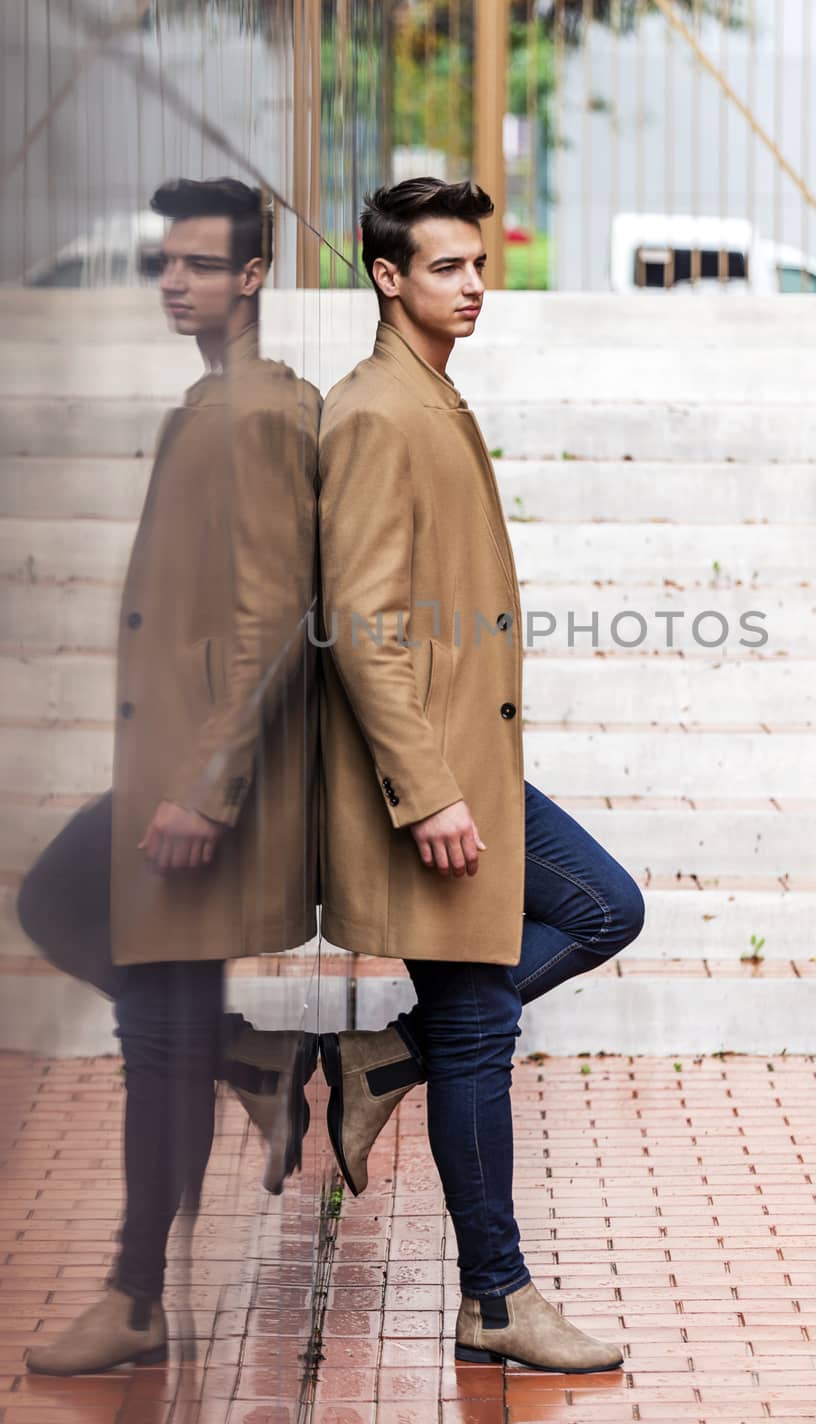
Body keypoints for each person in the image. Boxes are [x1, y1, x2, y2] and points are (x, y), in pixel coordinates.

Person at [317, 177, 645, 1374]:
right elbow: (357, 621)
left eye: (480, 266)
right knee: (476, 1031)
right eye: (448, 266)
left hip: (471, 764)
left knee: (606, 904)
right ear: (387, 278)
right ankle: (496, 1298)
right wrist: (428, 793)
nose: (473, 285)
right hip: (429, 788)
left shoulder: (429, 397)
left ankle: (382, 1055)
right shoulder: (372, 414)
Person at [17, 177, 320, 1376]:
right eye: (165, 263)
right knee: (57, 904)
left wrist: (207, 787)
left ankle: (136, 1297)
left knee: (151, 1026)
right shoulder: (212, 401)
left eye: (200, 263)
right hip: (172, 769)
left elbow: (279, 615)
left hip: (202, 784)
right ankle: (247, 1054)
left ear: (253, 278)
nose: (173, 281)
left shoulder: (256, 414)